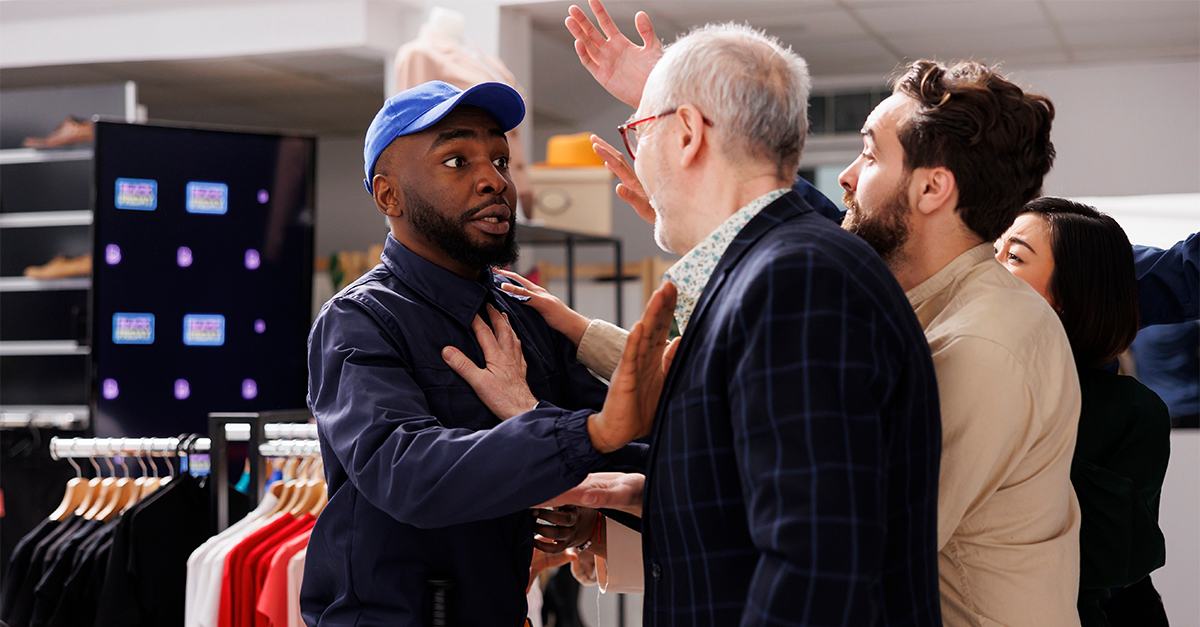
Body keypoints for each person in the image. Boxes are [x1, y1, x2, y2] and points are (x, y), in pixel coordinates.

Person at [555, 3, 1082, 626]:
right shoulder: (894, 290)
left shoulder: (986, 340)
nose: (847, 179)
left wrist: (643, 496)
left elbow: (849, 537)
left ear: (932, 189)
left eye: (870, 154)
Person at [445, 19, 944, 626]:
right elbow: (754, 492)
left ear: (686, 135)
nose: (637, 160)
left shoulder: (796, 282)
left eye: (638, 134)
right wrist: (641, 490)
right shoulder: (770, 272)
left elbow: (814, 566)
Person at [302, 79, 676, 626]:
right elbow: (406, 472)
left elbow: (624, 447)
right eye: (457, 160)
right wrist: (581, 439)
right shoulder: (359, 321)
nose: (493, 181)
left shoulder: (522, 311)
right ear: (389, 195)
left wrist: (582, 504)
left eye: (499, 160)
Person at [994, 197, 1172, 627]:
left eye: (1014, 256)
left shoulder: (1131, 413)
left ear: (1065, 298)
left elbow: (1109, 559)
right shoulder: (945, 373)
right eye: (993, 250)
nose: (988, 267)